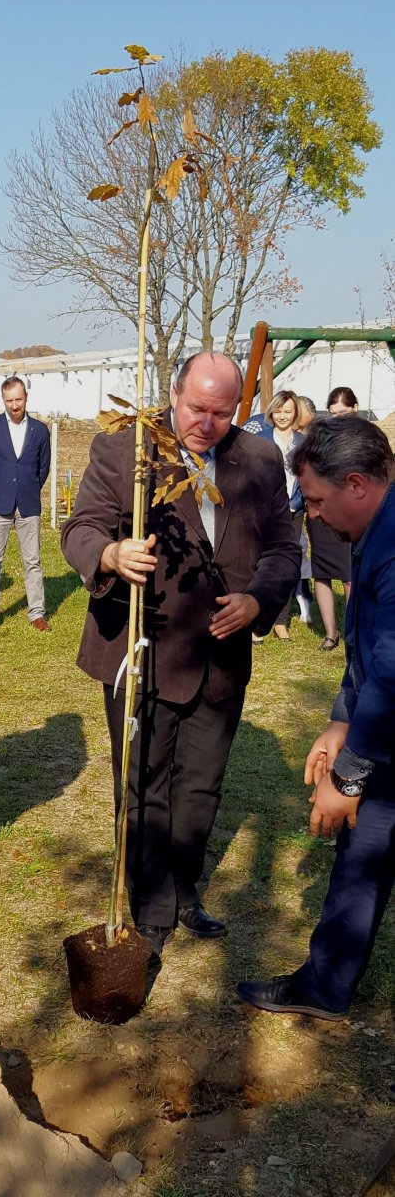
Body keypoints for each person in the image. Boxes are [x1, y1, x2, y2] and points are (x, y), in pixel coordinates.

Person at [61, 352, 301, 956]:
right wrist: (110, 555)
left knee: (201, 782)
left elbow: (284, 547)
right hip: (143, 646)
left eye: (222, 413)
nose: (206, 424)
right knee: (142, 781)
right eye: (196, 408)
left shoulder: (260, 459)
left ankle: (183, 887)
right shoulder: (128, 449)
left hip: (221, 651)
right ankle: (150, 902)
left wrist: (258, 599)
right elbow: (81, 527)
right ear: (174, 393)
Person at [238, 416, 395, 1019]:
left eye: (318, 501)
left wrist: (348, 777)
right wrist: (339, 721)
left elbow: (393, 674)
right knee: (363, 850)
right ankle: (325, 987)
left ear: (357, 483)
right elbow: (366, 649)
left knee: (365, 837)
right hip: (381, 730)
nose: (313, 515)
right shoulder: (373, 530)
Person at [0, 376, 52, 632]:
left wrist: (28, 489)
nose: (14, 405)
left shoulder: (40, 430)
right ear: (3, 400)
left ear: (26, 397)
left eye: (18, 399)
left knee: (33, 561)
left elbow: (43, 468)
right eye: (9, 401)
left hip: (28, 505)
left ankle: (37, 613)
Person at [307, 386, 357, 650]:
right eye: (333, 413)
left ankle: (352, 631)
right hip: (321, 512)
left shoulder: (366, 438)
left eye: (344, 413)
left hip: (351, 513)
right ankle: (330, 633)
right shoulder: (320, 437)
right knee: (322, 573)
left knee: (349, 575)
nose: (338, 418)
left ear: (355, 409)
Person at [255, 391, 306, 642]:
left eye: (287, 411)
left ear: (295, 413)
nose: (283, 416)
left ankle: (281, 620)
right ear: (271, 412)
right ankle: (257, 619)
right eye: (278, 411)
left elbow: (309, 478)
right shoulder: (259, 440)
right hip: (263, 511)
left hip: (293, 511)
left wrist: (295, 504)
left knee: (286, 564)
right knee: (259, 562)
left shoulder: (303, 443)